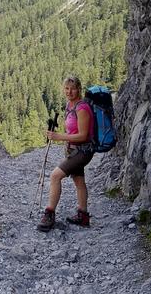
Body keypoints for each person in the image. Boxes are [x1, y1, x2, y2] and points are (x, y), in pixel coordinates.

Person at [37, 76, 94, 232]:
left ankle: (49, 214)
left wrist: (59, 137)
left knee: (55, 176)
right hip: (75, 149)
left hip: (83, 150)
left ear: (79, 89)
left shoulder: (82, 108)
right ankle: (83, 216)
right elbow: (72, 130)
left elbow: (83, 135)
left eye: (73, 88)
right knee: (79, 181)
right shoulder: (70, 105)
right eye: (67, 88)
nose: (69, 91)